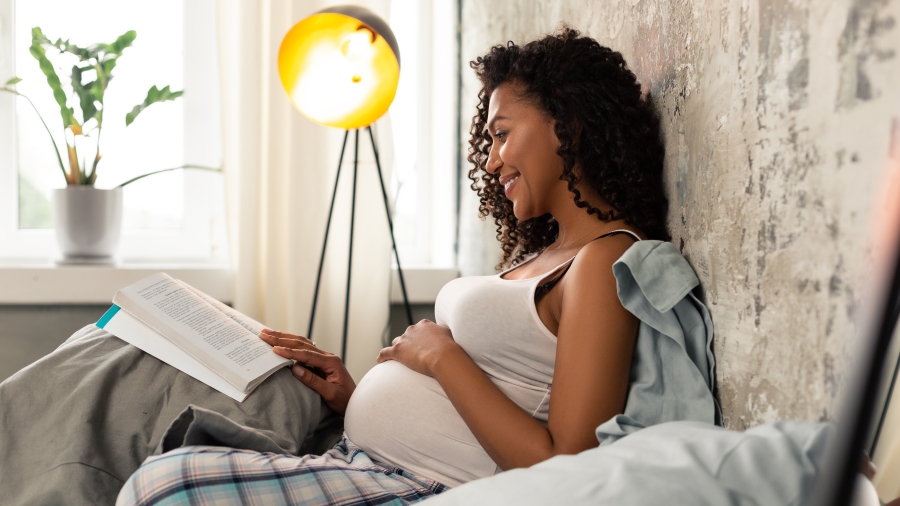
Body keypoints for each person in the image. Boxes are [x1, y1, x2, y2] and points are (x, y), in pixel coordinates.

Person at [116, 27, 683, 506]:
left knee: (165, 486)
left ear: (568, 124)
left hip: (414, 485)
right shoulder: (544, 256)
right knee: (152, 423)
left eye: (502, 134)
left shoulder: (604, 260)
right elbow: (487, 398)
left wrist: (440, 356)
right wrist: (353, 395)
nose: (490, 161)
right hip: (362, 458)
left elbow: (568, 462)